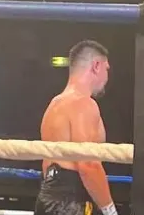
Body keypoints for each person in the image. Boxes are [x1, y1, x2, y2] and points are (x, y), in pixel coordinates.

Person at [35, 40, 116, 215]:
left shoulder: (54, 105)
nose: (107, 77)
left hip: (47, 196)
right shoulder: (84, 103)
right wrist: (110, 210)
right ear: (96, 66)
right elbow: (88, 164)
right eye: (106, 69)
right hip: (71, 201)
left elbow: (47, 166)